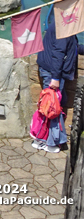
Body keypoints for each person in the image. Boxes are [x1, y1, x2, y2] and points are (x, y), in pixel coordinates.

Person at [34, 23, 84, 152]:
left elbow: (71, 47)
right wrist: (55, 78)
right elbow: (58, 53)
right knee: (51, 108)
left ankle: (47, 139)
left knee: (59, 102)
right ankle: (47, 141)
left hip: (51, 70)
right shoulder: (63, 28)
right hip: (52, 72)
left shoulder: (64, 24)